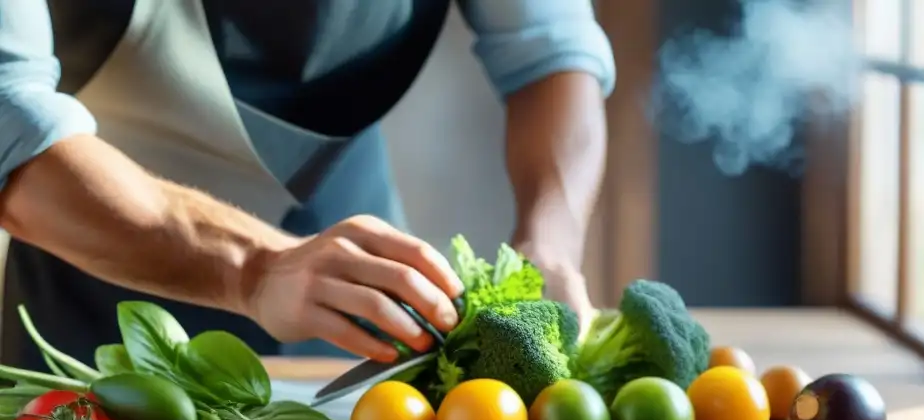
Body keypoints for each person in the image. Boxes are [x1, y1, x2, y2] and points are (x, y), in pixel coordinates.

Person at [0, 0, 615, 371]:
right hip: (93, 307)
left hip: (365, 308)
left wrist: (550, 248)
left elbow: (552, 52)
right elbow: (13, 126)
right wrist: (254, 269)